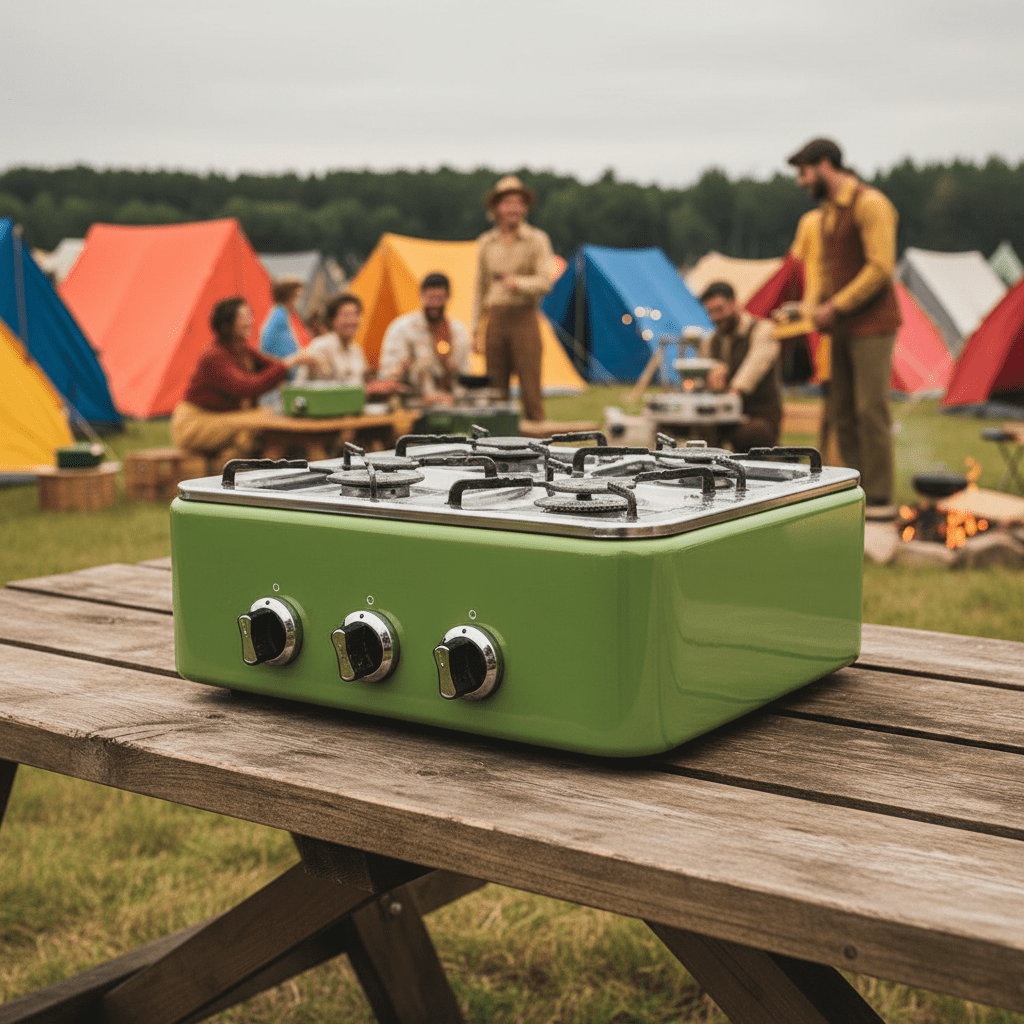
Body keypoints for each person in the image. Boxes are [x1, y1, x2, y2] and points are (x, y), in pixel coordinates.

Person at [787, 137, 902, 515]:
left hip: (873, 325)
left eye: (804, 173)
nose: (802, 182)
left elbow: (880, 268)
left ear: (824, 165)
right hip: (840, 327)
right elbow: (821, 269)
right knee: (842, 411)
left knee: (871, 409)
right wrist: (808, 310)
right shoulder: (825, 215)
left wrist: (835, 306)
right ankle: (858, 490)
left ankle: (881, 498)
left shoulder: (871, 204)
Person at [171, 296, 319, 464]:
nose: (250, 322)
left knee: (261, 423)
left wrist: (299, 361)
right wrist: (290, 362)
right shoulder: (213, 356)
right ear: (227, 324)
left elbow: (272, 368)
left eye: (250, 316)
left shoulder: (243, 350)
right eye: (243, 317)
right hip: (197, 421)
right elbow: (246, 387)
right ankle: (238, 474)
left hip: (228, 417)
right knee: (260, 421)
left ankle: (242, 472)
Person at [471, 175, 553, 422]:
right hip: (495, 319)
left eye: (518, 203)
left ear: (525, 208)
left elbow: (545, 282)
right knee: (495, 392)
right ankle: (496, 447)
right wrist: (476, 329)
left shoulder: (537, 240)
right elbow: (479, 289)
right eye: (507, 203)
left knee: (530, 390)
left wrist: (517, 283)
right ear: (496, 208)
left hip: (524, 317)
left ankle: (540, 446)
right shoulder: (486, 242)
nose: (513, 208)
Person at [698, 281, 783, 452]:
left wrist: (734, 389)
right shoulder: (711, 341)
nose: (716, 317)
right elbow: (703, 372)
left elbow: (755, 366)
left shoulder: (763, 330)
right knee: (701, 431)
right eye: (711, 312)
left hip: (759, 414)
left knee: (752, 433)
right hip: (721, 417)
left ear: (735, 303)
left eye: (719, 310)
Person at [378, 273, 471, 403]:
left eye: (439, 298)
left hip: (450, 402)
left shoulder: (458, 332)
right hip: (412, 402)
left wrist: (454, 397)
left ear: (448, 297)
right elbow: (388, 376)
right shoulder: (402, 329)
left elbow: (464, 375)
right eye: (431, 298)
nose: (435, 304)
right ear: (421, 295)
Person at [293, 294, 367, 387]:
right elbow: (300, 385)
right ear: (332, 320)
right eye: (346, 315)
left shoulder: (356, 350)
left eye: (356, 315)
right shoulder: (320, 346)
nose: (352, 321)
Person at [258, 276, 305, 408]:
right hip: (277, 393)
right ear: (291, 297)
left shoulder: (278, 316)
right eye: (298, 297)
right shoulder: (280, 321)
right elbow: (291, 359)